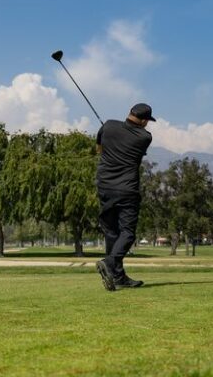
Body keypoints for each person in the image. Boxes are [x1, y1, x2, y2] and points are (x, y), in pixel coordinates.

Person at [95, 103, 155, 291]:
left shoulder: (109, 125)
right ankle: (110, 263)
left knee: (112, 232)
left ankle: (118, 277)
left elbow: (99, 150)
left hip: (104, 187)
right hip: (127, 190)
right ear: (144, 121)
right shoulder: (145, 137)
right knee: (127, 233)